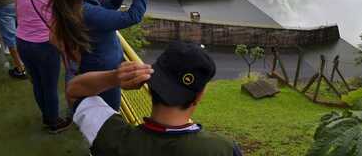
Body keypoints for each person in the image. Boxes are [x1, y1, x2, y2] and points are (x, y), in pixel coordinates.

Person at [67, 42, 243, 156]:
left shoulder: (112, 137)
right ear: (198, 96)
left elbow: (74, 91)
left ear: (149, 84)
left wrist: (115, 77)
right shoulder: (223, 150)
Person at [52, 0, 148, 110]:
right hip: (103, 75)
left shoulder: (78, 2)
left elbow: (111, 4)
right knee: (108, 116)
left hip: (99, 69)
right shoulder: (86, 12)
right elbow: (133, 16)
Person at [16, 0, 72, 133]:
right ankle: (54, 121)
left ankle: (46, 116)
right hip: (45, 45)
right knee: (49, 86)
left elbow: (19, 13)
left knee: (38, 83)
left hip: (22, 43)